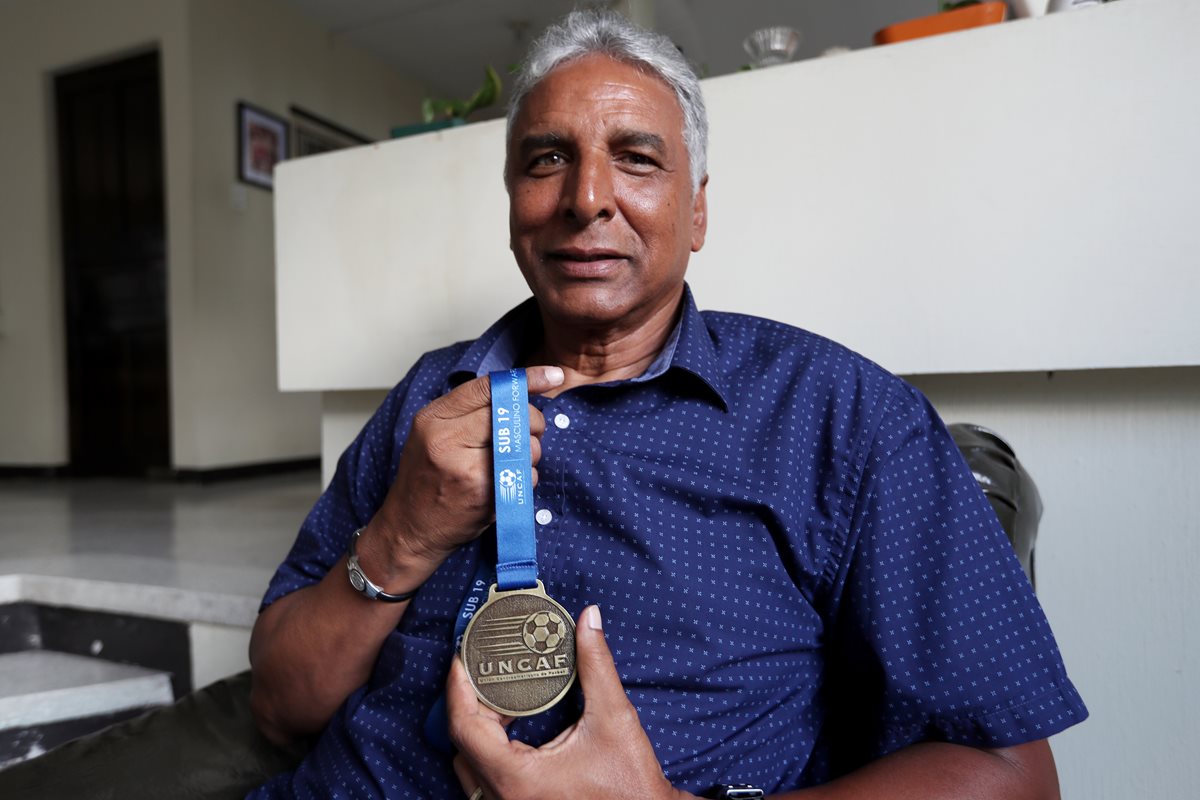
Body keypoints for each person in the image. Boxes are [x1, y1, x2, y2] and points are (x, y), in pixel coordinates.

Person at [247, 10, 1086, 799]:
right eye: (547, 160)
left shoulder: (844, 418)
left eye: (637, 158)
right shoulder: (429, 398)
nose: (586, 198)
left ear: (697, 212)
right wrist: (399, 537)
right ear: (513, 207)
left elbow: (1011, 773)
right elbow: (281, 705)